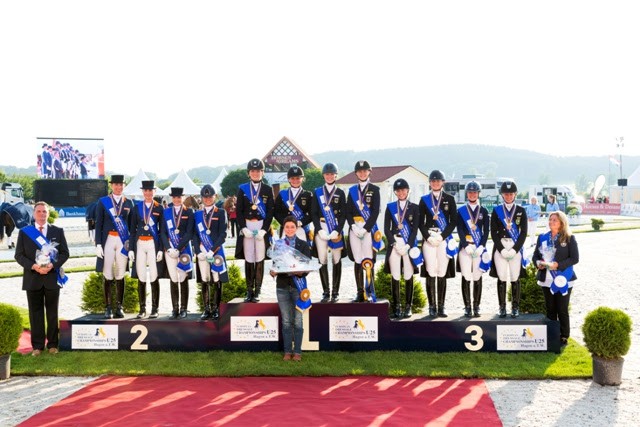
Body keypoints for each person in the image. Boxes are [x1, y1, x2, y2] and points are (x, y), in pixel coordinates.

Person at [14, 202, 69, 355]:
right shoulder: (25, 232)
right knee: (35, 314)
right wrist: (34, 266)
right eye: (39, 211)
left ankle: (52, 344)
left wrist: (53, 265)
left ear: (48, 214)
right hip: (33, 278)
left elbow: (65, 253)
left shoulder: (57, 231)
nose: (42, 214)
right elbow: (18, 255)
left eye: (44, 212)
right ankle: (37, 346)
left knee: (52, 313)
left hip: (52, 277)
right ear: (34, 214)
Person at [532, 211, 579, 346]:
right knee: (550, 308)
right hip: (547, 279)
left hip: (564, 279)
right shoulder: (542, 237)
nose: (551, 222)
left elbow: (574, 258)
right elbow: (535, 255)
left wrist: (558, 265)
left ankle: (564, 336)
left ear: (562, 223)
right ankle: (552, 334)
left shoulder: (569, 238)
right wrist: (538, 264)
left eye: (555, 220)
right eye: (550, 219)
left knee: (562, 309)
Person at [270, 216, 311, 362]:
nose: (289, 229)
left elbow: (308, 265)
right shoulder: (278, 245)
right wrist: (273, 271)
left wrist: (302, 272)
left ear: (296, 228)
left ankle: (298, 352)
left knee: (298, 321)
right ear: (284, 229)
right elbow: (275, 264)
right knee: (286, 321)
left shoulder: (303, 245)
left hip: (298, 286)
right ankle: (287, 352)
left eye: (292, 227)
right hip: (282, 286)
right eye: (287, 227)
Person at [94, 174, 135, 319]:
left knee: (120, 273)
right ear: (112, 186)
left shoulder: (129, 203)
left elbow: (132, 226)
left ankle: (119, 306)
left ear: (124, 186)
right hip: (108, 239)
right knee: (107, 273)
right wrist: (98, 243)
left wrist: (132, 247)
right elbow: (98, 224)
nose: (118, 187)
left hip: (123, 241)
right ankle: (108, 307)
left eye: (121, 184)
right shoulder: (103, 201)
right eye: (116, 184)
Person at [419, 170, 457, 317]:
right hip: (429, 238)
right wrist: (427, 237)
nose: (435, 183)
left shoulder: (449, 199)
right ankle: (431, 306)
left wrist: (442, 236)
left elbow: (453, 221)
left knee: (441, 272)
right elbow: (420, 222)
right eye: (433, 181)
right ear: (430, 183)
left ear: (443, 182)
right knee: (430, 271)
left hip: (443, 238)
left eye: (438, 180)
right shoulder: (424, 200)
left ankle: (441, 306)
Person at [235, 158, 274, 303]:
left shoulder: (267, 189)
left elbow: (270, 211)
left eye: (258, 171)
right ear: (249, 173)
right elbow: (238, 211)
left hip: (261, 225)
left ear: (262, 173)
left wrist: (265, 229)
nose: (256, 173)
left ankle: (258, 290)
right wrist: (243, 228)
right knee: (249, 258)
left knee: (260, 259)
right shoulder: (242, 189)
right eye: (253, 171)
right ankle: (249, 290)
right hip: (247, 226)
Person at [490, 180, 528, 318]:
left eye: (511, 194)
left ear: (515, 194)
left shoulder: (521, 211)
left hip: (514, 246)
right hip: (501, 246)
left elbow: (524, 232)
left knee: (515, 276)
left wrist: (515, 249)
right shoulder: (496, 211)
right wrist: (501, 249)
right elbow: (493, 232)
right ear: (502, 195)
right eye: (506, 194)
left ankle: (515, 307)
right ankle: (502, 307)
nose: (508, 196)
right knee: (501, 277)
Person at [346, 160, 383, 303]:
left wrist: (366, 228)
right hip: (355, 228)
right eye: (359, 171)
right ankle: (359, 292)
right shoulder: (352, 191)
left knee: (368, 260)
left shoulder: (375, 189)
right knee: (357, 260)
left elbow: (375, 211)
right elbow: (348, 211)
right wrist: (353, 226)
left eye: (365, 171)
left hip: (368, 229)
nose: (362, 173)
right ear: (356, 173)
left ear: (369, 172)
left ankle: (370, 291)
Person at [383, 178, 419, 318]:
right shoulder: (390, 207)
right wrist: (393, 243)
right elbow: (387, 228)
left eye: (403, 190)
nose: (401, 192)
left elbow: (415, 229)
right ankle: (397, 306)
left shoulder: (415, 208)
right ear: (395, 192)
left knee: (408, 274)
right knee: (396, 275)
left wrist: (408, 245)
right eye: (398, 190)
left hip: (408, 244)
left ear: (408, 191)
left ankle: (408, 307)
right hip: (396, 243)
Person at [129, 180, 164, 319]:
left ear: (154, 192)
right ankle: (142, 309)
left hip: (153, 244)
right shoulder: (136, 207)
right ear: (143, 192)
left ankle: (155, 308)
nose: (148, 193)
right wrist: (131, 248)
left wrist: (160, 248)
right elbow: (132, 230)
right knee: (141, 275)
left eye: (151, 191)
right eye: (146, 191)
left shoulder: (159, 208)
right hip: (140, 244)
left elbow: (162, 231)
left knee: (154, 275)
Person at [311, 162, 347, 303]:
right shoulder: (317, 192)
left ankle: (335, 292)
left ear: (336, 175)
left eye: (332, 174)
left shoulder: (340, 193)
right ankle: (326, 292)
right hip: (321, 228)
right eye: (327, 174)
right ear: (323, 175)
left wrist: (337, 231)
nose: (330, 176)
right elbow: (313, 213)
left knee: (336, 260)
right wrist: (319, 230)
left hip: (335, 229)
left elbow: (344, 214)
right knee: (322, 259)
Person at [193, 184, 228, 320]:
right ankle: (206, 308)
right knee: (205, 279)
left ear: (215, 197)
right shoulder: (197, 215)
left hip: (216, 251)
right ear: (201, 198)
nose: (207, 199)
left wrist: (212, 250)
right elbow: (194, 234)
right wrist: (197, 250)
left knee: (217, 279)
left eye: (210, 196)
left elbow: (223, 234)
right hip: (202, 250)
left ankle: (216, 308)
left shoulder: (220, 212)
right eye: (205, 197)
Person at [456, 181, 490, 317]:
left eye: (474, 192)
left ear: (478, 194)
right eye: (470, 192)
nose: (472, 194)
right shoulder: (461, 211)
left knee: (477, 276)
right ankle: (467, 306)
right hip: (466, 248)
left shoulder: (484, 211)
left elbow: (486, 231)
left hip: (478, 248)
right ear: (467, 194)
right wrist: (465, 245)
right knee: (466, 275)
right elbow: (459, 229)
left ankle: (476, 306)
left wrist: (482, 246)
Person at [161, 187, 195, 319]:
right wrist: (169, 248)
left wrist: (178, 248)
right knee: (173, 278)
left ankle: (184, 308)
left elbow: (189, 232)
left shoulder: (189, 212)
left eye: (179, 197)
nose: (177, 199)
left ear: (182, 197)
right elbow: (162, 232)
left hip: (183, 249)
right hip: (170, 250)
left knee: (183, 277)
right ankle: (174, 308)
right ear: (171, 198)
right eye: (174, 197)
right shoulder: (166, 212)